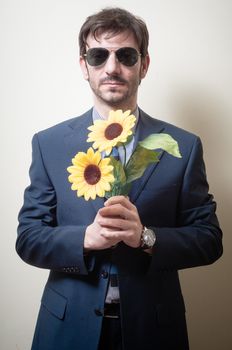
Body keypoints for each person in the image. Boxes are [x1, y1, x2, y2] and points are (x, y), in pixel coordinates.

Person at [16, 7, 223, 350]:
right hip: (67, 330)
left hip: (153, 330)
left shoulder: (184, 147)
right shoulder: (48, 144)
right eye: (99, 56)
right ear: (84, 66)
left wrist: (146, 237)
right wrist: (86, 237)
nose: (112, 68)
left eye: (126, 55)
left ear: (144, 65)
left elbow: (209, 239)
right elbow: (28, 238)